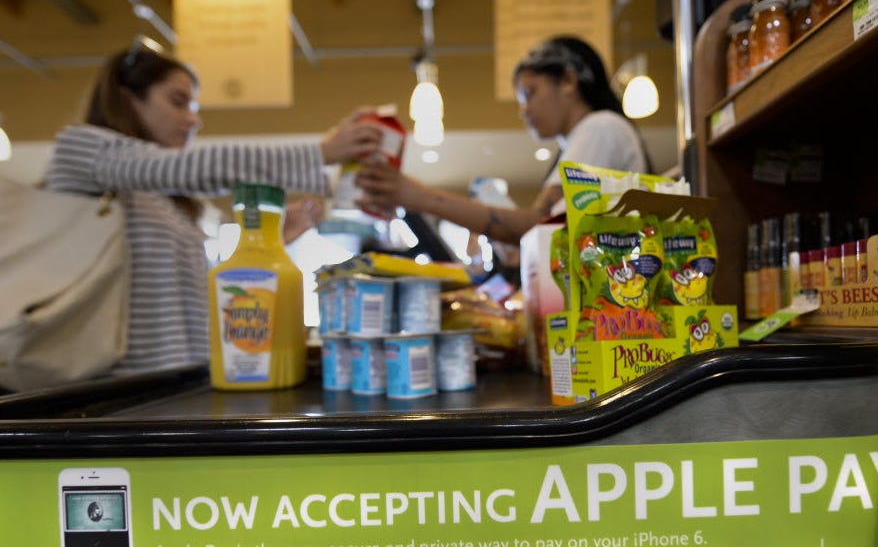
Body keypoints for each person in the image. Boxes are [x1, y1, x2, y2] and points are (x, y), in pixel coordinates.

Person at [43, 38, 382, 376]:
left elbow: (196, 297)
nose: (194, 119)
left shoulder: (162, 199)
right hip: (112, 388)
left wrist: (271, 242)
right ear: (128, 99)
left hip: (175, 383)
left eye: (193, 105)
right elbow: (189, 168)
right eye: (178, 102)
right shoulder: (80, 147)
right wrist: (319, 153)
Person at [355, 35, 650, 245]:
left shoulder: (600, 128)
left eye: (530, 94)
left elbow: (538, 225)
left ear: (568, 81)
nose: (524, 110)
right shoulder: (593, 134)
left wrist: (420, 196)